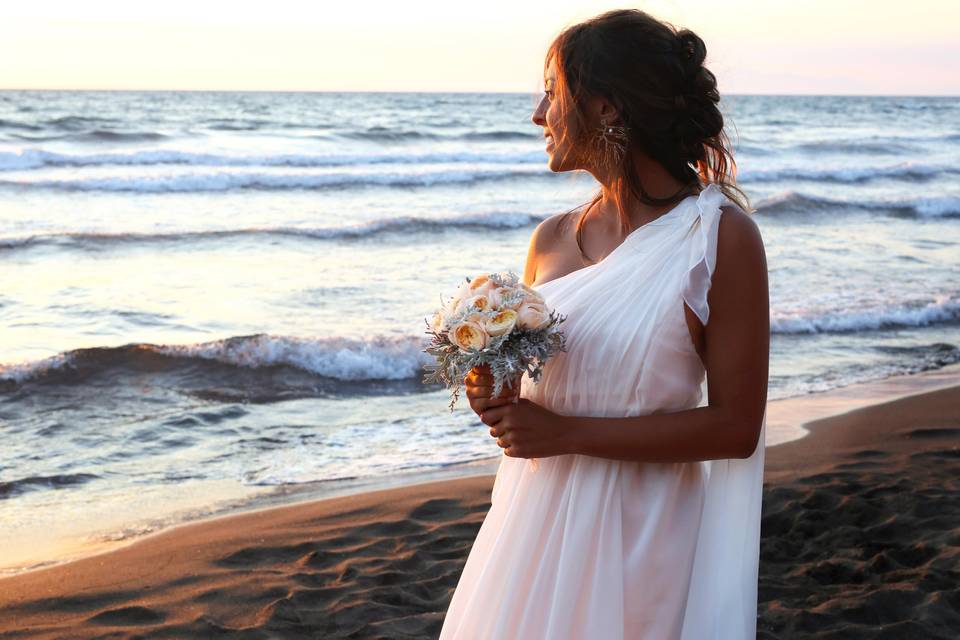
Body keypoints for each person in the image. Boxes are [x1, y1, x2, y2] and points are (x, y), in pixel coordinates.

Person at [438, 8, 769, 640]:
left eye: (552, 93)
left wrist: (565, 432)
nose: (538, 114)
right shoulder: (551, 239)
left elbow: (736, 428)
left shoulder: (719, 238)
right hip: (533, 521)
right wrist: (493, 395)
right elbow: (534, 402)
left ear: (606, 109)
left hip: (643, 531)